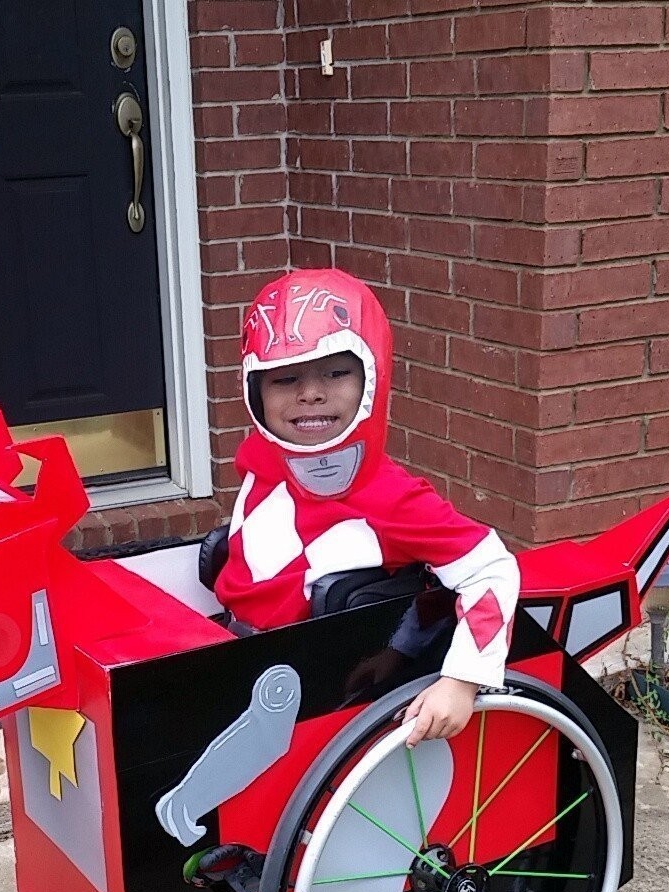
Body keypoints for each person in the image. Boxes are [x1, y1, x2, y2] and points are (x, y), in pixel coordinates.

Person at [212, 269, 521, 746]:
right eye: (285, 378)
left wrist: (461, 681)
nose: (310, 392)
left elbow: (493, 569)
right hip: (231, 656)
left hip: (301, 690)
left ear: (371, 376)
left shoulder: (392, 497)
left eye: (336, 372)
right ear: (256, 391)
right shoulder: (261, 458)